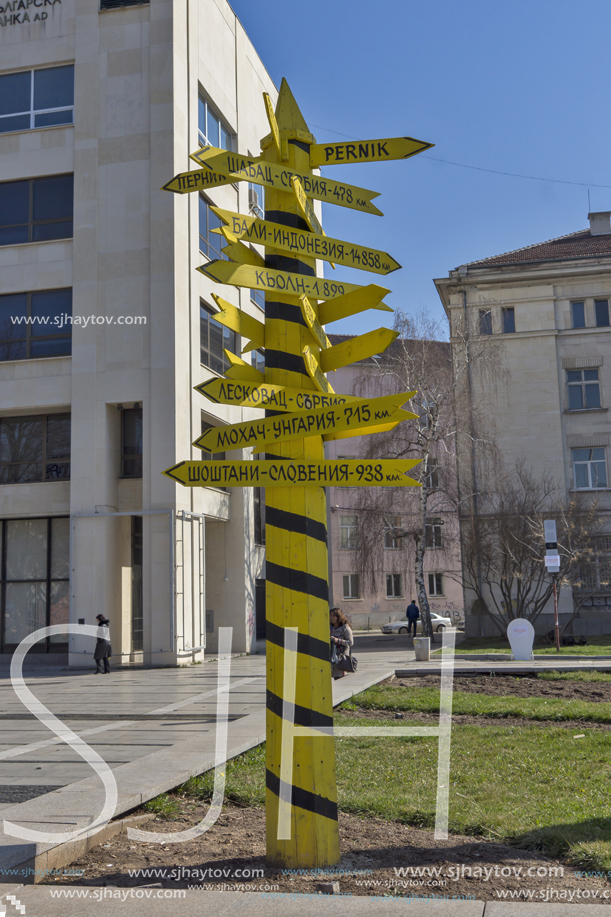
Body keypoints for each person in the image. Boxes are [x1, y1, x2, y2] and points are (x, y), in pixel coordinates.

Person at [330, 607, 353, 680]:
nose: (331, 618)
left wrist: (338, 640)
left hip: (341, 658)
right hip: (330, 657)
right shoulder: (329, 627)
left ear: (338, 617)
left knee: (339, 678)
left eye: (334, 616)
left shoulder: (345, 628)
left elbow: (350, 642)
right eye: (330, 615)